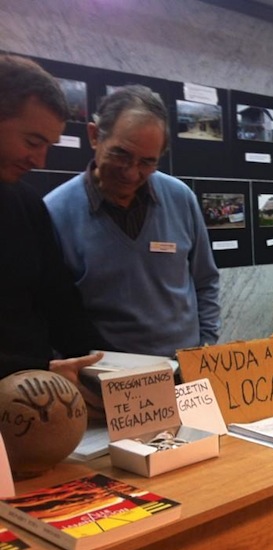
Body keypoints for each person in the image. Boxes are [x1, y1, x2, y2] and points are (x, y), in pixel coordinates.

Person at [45, 85, 221, 357]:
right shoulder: (55, 211)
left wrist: (205, 347)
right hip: (107, 375)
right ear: (95, 136)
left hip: (184, 366)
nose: (131, 173)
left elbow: (205, 281)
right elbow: (54, 312)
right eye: (121, 154)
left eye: (147, 162)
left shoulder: (180, 198)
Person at [0, 53, 104, 384]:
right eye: (32, 142)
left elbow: (60, 304)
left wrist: (108, 367)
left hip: (34, 394)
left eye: (48, 145)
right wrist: (30, 369)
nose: (40, 160)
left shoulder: (26, 204)